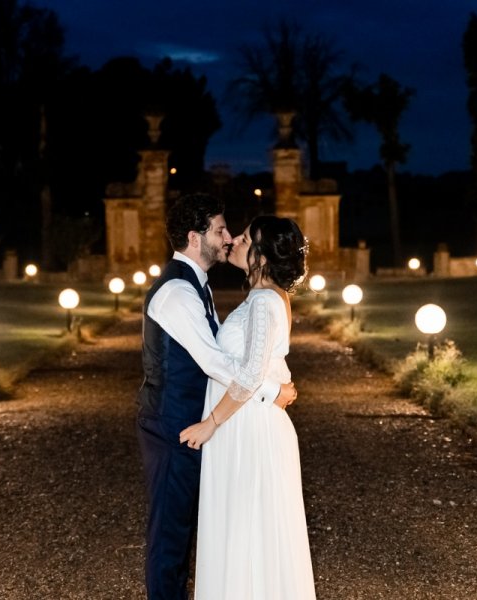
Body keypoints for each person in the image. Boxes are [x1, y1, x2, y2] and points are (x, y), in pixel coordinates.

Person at [137, 194, 297, 600]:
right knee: (172, 537)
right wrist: (272, 390)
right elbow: (213, 361)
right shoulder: (177, 291)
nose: (228, 238)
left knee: (219, 525)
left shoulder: (202, 286)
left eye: (235, 233)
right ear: (195, 237)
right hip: (174, 425)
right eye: (221, 231)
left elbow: (233, 358)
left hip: (211, 425)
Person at [179, 215, 316, 600]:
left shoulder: (263, 301)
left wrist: (211, 423)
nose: (235, 241)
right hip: (251, 422)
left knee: (247, 527)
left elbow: (251, 373)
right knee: (248, 527)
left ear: (262, 255)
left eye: (245, 238)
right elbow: (257, 372)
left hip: (248, 428)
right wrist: (275, 389)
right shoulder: (266, 297)